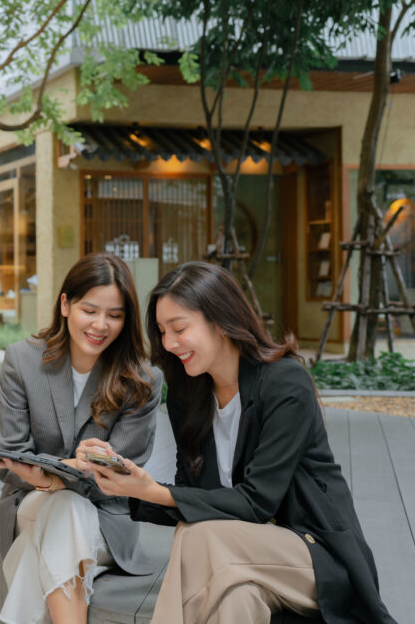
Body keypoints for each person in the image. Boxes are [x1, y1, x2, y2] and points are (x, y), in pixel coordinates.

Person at [84, 261, 396, 624]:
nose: (168, 343)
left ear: (221, 322)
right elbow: (193, 497)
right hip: (238, 560)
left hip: (315, 556)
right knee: (236, 597)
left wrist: (153, 491)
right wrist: (125, 486)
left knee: (198, 534)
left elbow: (257, 501)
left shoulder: (285, 384)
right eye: (161, 331)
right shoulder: (188, 397)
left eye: (179, 328)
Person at [0, 253, 164, 624]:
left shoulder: (142, 379)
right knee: (62, 508)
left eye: (115, 315)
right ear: (65, 304)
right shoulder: (22, 360)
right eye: (89, 310)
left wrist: (52, 474)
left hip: (104, 520)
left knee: (67, 511)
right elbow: (11, 458)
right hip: (30, 503)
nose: (101, 325)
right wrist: (58, 475)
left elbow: (122, 479)